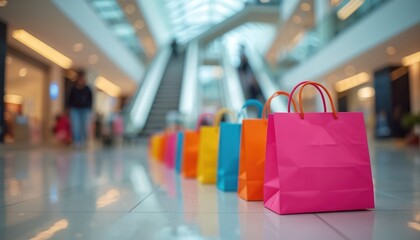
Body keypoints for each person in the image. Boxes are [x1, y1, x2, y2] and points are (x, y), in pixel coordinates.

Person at [68, 73, 92, 148]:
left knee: (84, 126)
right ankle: (76, 141)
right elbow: (69, 99)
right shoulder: (73, 89)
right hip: (75, 109)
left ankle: (83, 140)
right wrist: (68, 108)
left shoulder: (88, 89)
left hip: (85, 109)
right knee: (76, 125)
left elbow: (91, 100)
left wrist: (89, 108)